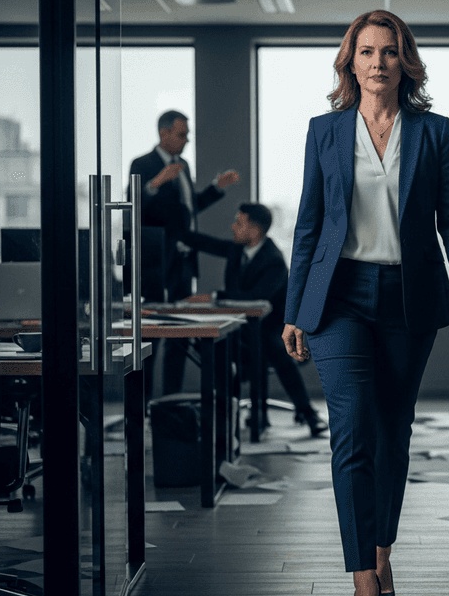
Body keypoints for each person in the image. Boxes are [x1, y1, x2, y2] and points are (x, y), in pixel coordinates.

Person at [281, 10, 449, 596]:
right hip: (338, 297)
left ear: (404, 62)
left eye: (388, 52)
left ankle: (382, 553)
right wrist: (296, 310)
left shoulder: (434, 131)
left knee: (393, 433)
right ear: (350, 62)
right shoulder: (325, 131)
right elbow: (310, 224)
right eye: (365, 52)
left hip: (410, 295)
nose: (376, 63)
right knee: (353, 433)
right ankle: (363, 584)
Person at [183, 203, 327, 437]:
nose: (233, 227)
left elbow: (256, 298)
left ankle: (307, 412)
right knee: (214, 343)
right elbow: (207, 244)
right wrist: (176, 232)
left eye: (239, 223)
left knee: (273, 348)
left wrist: (216, 297)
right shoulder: (237, 250)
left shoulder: (273, 259)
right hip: (242, 330)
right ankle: (225, 415)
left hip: (271, 328)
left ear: (255, 229)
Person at [129, 110, 240, 395]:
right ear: (163, 133)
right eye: (182, 134)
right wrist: (155, 183)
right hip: (157, 266)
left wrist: (216, 188)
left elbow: (187, 212)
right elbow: (134, 207)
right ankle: (141, 410)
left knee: (180, 336)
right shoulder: (143, 164)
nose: (187, 140)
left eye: (187, 134)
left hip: (184, 265)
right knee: (149, 339)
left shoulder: (185, 166)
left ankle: (171, 405)